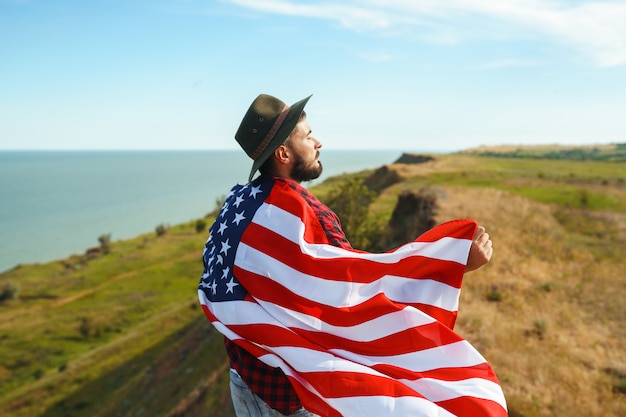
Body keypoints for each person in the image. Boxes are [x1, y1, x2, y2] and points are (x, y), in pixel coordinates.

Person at [198, 94, 506, 417]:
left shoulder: (239, 204)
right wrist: (454, 264)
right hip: (288, 399)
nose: (319, 142)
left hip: (245, 382)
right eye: (308, 136)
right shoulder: (310, 218)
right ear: (283, 153)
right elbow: (357, 298)